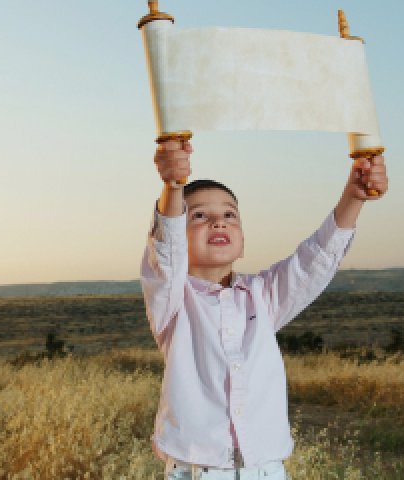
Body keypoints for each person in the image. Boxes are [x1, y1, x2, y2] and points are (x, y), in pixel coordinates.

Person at [140, 139, 388, 479]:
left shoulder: (263, 295)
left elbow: (314, 260)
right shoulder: (171, 300)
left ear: (243, 241)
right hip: (198, 471)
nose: (218, 222)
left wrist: (354, 197)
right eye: (198, 215)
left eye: (230, 214)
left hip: (267, 470)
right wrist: (172, 187)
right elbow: (166, 249)